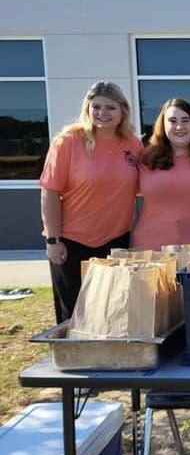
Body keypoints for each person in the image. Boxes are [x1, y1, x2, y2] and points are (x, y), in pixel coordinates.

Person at [39, 81, 142, 323]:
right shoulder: (69, 141)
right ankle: (73, 360)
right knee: (74, 315)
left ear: (123, 111)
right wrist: (53, 240)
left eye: (110, 107)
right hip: (72, 242)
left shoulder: (134, 146)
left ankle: (107, 360)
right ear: (87, 108)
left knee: (112, 312)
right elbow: (50, 192)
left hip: (116, 241)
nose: (102, 113)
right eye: (96, 107)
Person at [132, 98, 190, 252]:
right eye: (172, 121)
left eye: (185, 120)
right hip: (151, 253)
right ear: (163, 126)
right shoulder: (146, 158)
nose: (179, 126)